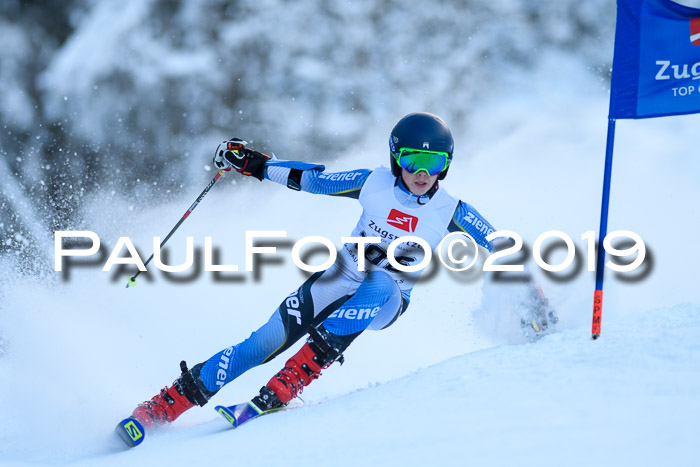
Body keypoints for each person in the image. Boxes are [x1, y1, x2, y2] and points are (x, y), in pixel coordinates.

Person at [129, 112, 556, 427]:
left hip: (387, 299)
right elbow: (315, 181)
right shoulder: (371, 183)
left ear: (447, 164)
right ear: (395, 159)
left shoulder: (452, 211)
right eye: (410, 160)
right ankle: (167, 404)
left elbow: (501, 245)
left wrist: (533, 294)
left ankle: (289, 382)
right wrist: (254, 164)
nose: (421, 173)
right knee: (260, 343)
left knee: (381, 282)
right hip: (336, 280)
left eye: (434, 163)